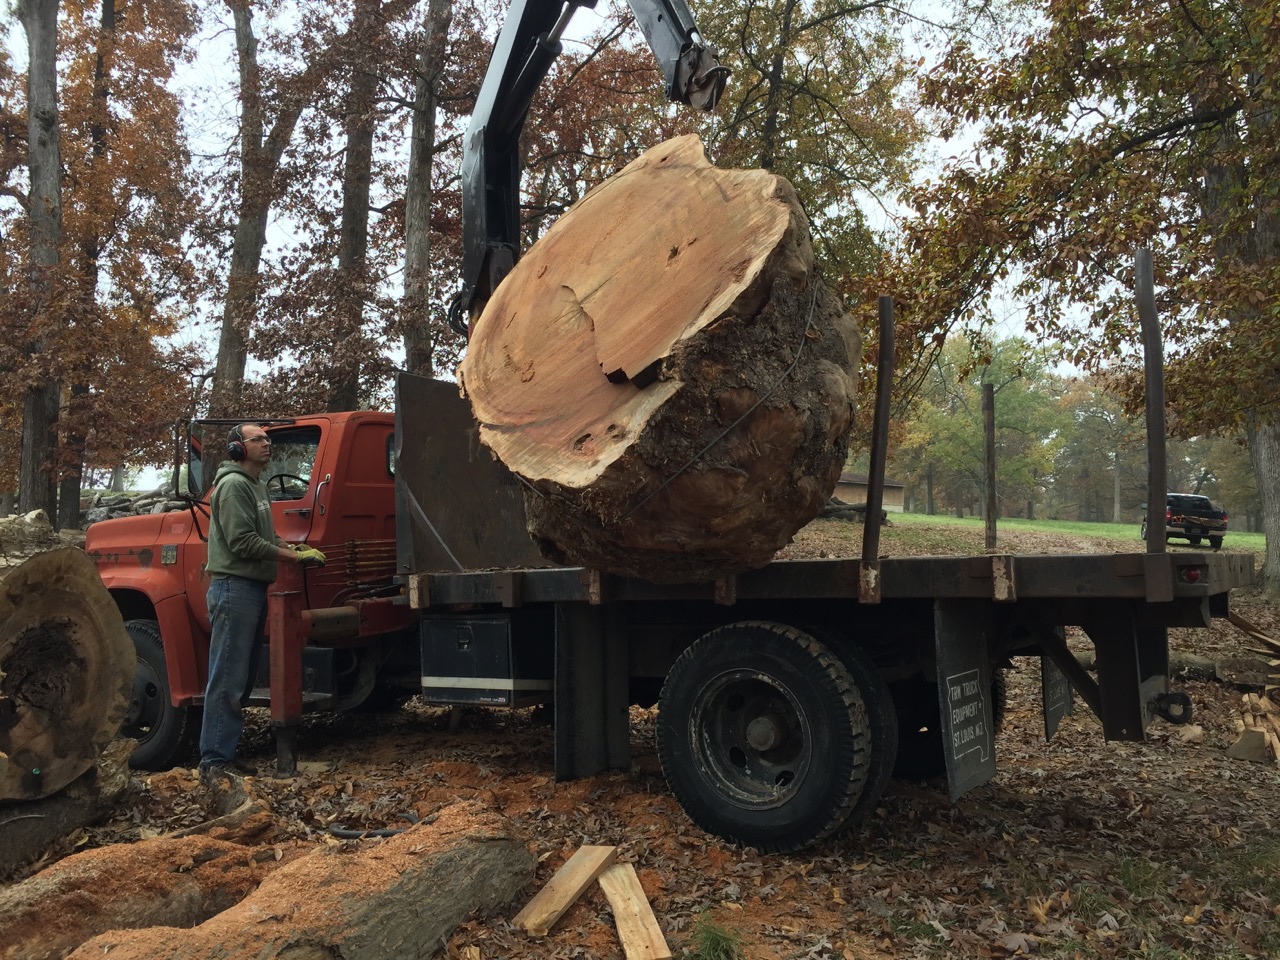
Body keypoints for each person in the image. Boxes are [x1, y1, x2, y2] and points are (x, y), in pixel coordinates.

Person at [199, 423, 326, 779]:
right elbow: (243, 543)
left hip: (251, 588)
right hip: (233, 587)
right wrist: (294, 560)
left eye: (268, 439)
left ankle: (223, 756)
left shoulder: (255, 485)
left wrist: (291, 547)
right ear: (238, 449)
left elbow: (264, 537)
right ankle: (213, 761)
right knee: (227, 677)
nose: (267, 444)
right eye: (259, 440)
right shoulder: (234, 485)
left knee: (239, 676)